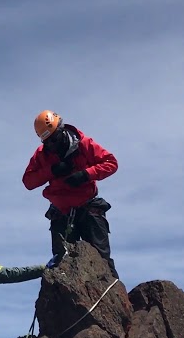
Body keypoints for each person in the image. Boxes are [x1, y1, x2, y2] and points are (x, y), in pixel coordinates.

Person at [22, 110, 119, 277]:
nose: (51, 144)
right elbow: (28, 182)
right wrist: (51, 170)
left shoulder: (83, 144)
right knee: (63, 262)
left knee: (101, 259)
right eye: (47, 141)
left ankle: (112, 295)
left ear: (61, 129)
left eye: (54, 138)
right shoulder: (42, 154)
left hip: (88, 206)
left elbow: (111, 163)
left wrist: (86, 174)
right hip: (62, 211)